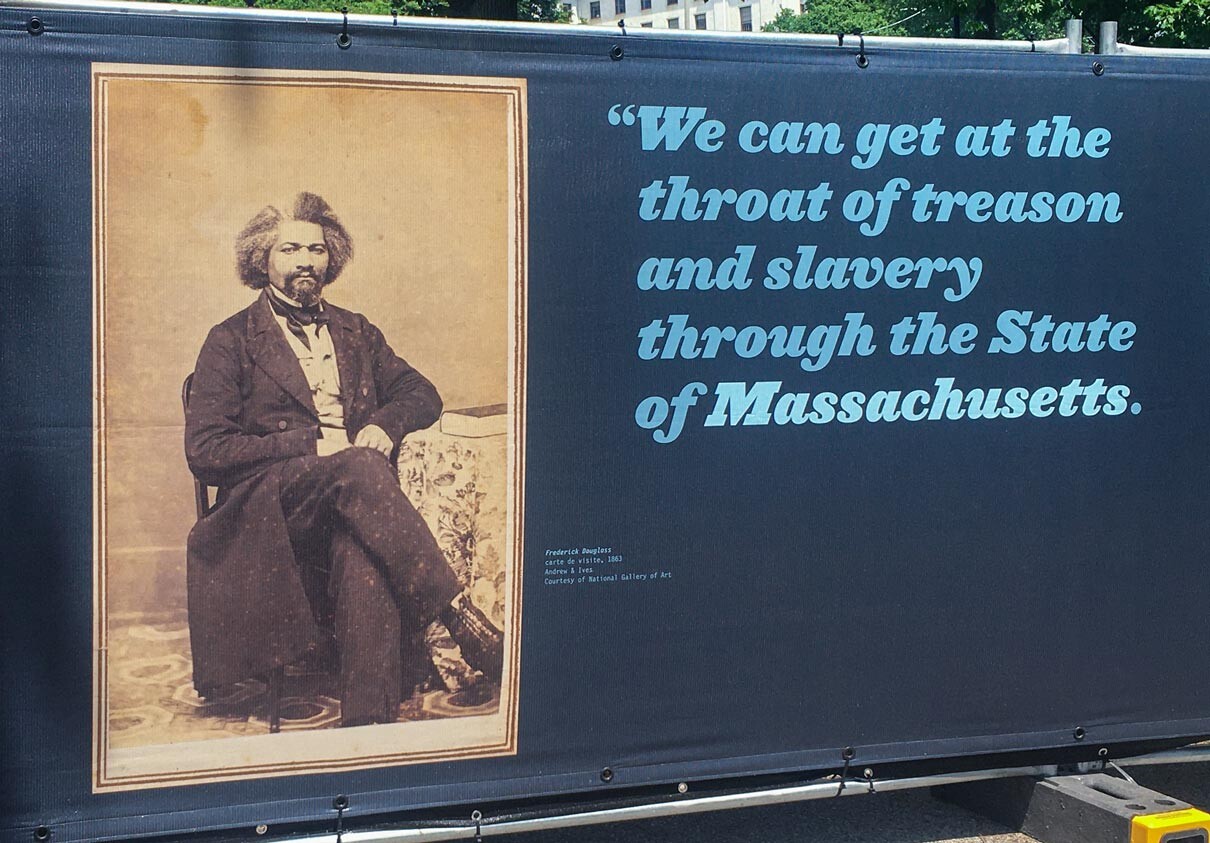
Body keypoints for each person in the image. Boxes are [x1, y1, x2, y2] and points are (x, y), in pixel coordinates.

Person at [185, 191, 502, 727]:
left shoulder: (356, 330)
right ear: (262, 259)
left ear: (332, 258)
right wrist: (311, 444)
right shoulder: (230, 340)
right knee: (360, 465)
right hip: (271, 509)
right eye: (289, 250)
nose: (305, 261)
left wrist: (382, 424)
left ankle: (367, 725)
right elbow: (207, 451)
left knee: (361, 551)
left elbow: (422, 393)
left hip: (358, 502)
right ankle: (455, 611)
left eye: (316, 249)